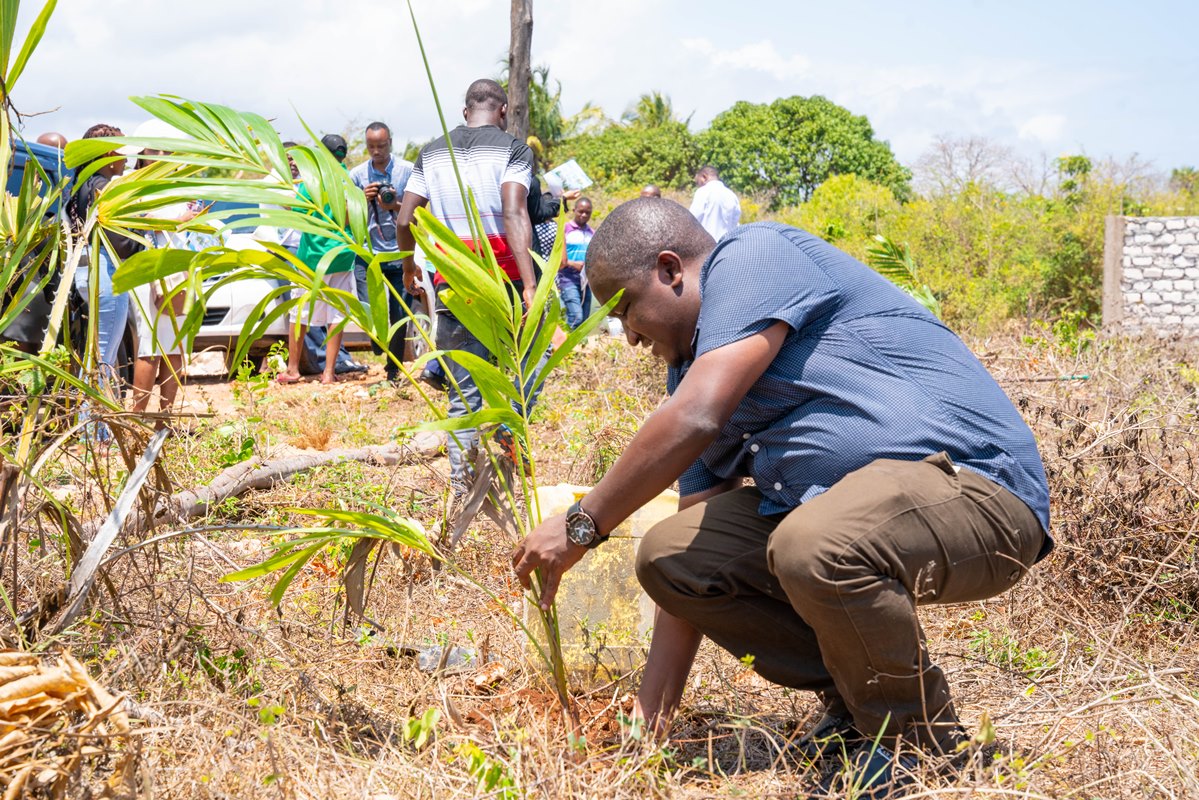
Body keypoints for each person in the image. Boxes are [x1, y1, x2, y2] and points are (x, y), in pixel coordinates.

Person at [511, 199, 1053, 797]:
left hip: (977, 493)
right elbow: (691, 549)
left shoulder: (751, 256)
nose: (629, 336)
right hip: (851, 521)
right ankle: (857, 703)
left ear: (671, 270)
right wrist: (649, 731)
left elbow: (695, 416)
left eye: (625, 307)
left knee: (813, 542)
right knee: (673, 556)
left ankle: (915, 744)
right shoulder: (698, 370)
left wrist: (583, 524)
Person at [397, 78, 537, 494]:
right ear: (504, 110)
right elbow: (514, 214)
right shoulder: (514, 148)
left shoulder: (432, 151)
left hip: (452, 281)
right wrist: (530, 284)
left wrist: (409, 268)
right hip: (504, 279)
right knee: (522, 370)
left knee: (464, 392)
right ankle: (510, 451)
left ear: (465, 112)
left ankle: (462, 491)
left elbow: (404, 221)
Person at [66, 124, 141, 439]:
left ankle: (94, 431)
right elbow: (120, 240)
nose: (126, 160)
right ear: (109, 154)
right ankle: (94, 435)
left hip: (85, 273)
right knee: (103, 361)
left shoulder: (80, 186)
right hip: (106, 274)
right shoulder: (104, 187)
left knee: (97, 355)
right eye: (121, 152)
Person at [277, 136, 358, 386]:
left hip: (312, 257)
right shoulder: (348, 180)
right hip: (342, 256)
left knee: (299, 312)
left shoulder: (313, 179)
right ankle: (328, 372)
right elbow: (349, 218)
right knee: (337, 313)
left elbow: (298, 211)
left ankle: (292, 369)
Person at [349, 121, 414, 382]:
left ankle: (393, 369)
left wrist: (395, 205)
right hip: (367, 252)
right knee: (368, 307)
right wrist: (360, 199)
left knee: (399, 314)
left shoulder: (407, 171)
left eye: (381, 146)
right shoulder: (356, 176)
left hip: (399, 253)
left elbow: (419, 214)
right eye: (371, 146)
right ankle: (376, 339)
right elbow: (346, 218)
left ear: (390, 143)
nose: (376, 151)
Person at [557, 197, 594, 329]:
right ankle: (565, 346)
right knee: (575, 316)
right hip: (567, 279)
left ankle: (576, 348)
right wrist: (572, 263)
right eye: (581, 211)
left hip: (586, 281)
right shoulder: (565, 229)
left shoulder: (592, 233)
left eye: (587, 213)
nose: (584, 215)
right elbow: (557, 256)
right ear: (574, 210)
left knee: (584, 318)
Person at [689, 166, 740, 241]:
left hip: (706, 246)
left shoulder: (703, 191)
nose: (698, 186)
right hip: (726, 246)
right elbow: (735, 224)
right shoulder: (732, 195)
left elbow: (692, 219)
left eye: (698, 182)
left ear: (704, 177)